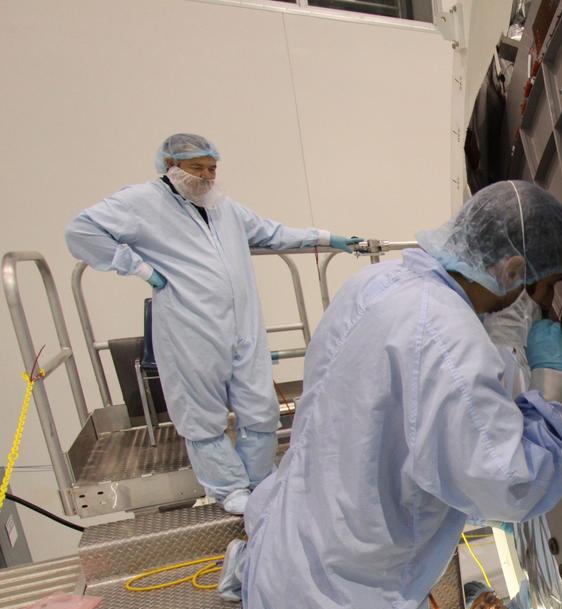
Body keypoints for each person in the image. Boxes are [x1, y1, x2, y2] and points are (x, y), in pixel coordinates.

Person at [241, 180, 562, 609]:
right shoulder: (447, 344)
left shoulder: (385, 284)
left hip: (297, 541)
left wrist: (508, 350)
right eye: (536, 287)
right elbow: (514, 482)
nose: (535, 302)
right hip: (348, 596)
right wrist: (550, 387)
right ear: (511, 271)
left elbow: (424, 394)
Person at [66, 133, 358, 514]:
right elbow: (82, 232)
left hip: (243, 323)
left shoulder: (222, 207)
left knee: (260, 406)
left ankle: (260, 480)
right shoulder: (141, 202)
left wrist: (327, 237)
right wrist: (138, 267)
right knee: (201, 413)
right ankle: (229, 488)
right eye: (195, 167)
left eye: (211, 168)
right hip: (189, 324)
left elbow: (270, 233)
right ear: (170, 167)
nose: (205, 176)